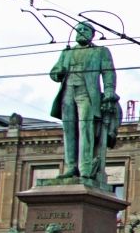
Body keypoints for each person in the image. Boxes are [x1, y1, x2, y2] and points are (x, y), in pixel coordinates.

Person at [49, 21, 120, 184]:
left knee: (85, 128)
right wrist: (57, 73)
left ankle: (85, 168)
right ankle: (70, 167)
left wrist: (109, 91)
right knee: (69, 130)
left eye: (85, 29)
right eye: (78, 29)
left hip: (87, 94)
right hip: (68, 92)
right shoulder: (66, 53)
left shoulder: (100, 51)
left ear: (92, 34)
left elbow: (109, 72)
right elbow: (54, 72)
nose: (81, 31)